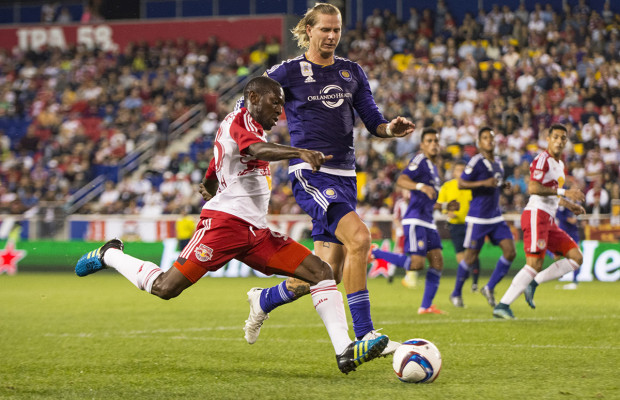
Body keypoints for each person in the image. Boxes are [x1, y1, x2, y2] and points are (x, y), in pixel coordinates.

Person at [74, 76, 388, 373]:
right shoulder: (243, 122)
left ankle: (345, 349)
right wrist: (299, 152)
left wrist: (209, 183)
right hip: (223, 227)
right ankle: (110, 253)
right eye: (274, 103)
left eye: (281, 105)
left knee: (320, 273)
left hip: (257, 234)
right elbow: (253, 150)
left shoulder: (239, 123)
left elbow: (216, 163)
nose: (280, 111)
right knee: (165, 288)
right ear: (253, 98)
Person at [242, 3, 415, 354]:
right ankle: (366, 335)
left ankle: (265, 299)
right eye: (325, 29)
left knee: (327, 274)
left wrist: (390, 129)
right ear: (308, 30)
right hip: (312, 174)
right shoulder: (287, 72)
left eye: (336, 30)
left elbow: (373, 120)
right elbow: (249, 103)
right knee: (360, 238)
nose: (332, 36)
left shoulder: (352, 72)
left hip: (346, 177)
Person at [493, 124, 586, 319]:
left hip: (548, 220)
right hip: (536, 214)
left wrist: (570, 205)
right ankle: (502, 305)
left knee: (576, 258)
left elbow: (553, 195)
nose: (559, 141)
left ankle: (534, 283)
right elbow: (533, 188)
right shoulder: (542, 159)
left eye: (563, 138)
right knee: (534, 263)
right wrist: (565, 191)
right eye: (556, 137)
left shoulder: (559, 165)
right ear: (548, 139)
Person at [370, 128, 459, 314]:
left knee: (437, 262)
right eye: (430, 141)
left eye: (436, 140)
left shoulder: (434, 169)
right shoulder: (420, 160)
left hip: (428, 221)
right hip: (415, 220)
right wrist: (420, 186)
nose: (434, 144)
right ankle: (376, 253)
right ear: (422, 145)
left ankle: (425, 306)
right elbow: (401, 180)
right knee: (417, 264)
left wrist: (444, 208)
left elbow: (430, 199)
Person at [450, 127, 516, 308]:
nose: (490, 141)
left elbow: (495, 183)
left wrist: (503, 186)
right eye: (485, 138)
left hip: (495, 216)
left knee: (511, 252)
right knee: (470, 257)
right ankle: (456, 293)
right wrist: (483, 183)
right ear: (479, 142)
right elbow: (462, 183)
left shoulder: (498, 162)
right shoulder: (476, 162)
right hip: (478, 217)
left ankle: (489, 287)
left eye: (492, 137)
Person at [436, 160, 481, 294]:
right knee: (460, 254)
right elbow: (439, 204)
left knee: (473, 253)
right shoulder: (447, 186)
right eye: (458, 170)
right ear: (454, 172)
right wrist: (447, 212)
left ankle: (474, 282)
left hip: (471, 224)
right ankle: (465, 274)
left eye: (463, 170)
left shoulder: (472, 186)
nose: (461, 173)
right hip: (455, 225)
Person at [555, 204, 581, 289]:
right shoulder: (564, 203)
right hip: (564, 233)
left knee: (577, 256)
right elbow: (558, 215)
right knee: (558, 255)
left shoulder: (577, 202)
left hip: (574, 233)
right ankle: (560, 276)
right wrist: (568, 219)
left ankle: (575, 280)